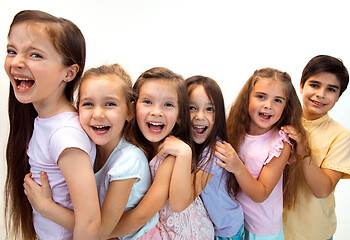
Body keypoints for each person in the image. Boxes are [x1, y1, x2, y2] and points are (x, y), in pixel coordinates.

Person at [23, 64, 158, 239]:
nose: (98, 114)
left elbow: (100, 231)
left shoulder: (129, 160)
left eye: (110, 104)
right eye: (88, 104)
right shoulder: (86, 149)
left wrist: (46, 207)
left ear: (130, 111)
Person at [4, 10, 100, 240]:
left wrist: (45, 207)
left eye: (35, 55)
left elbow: (90, 223)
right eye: (11, 51)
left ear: (69, 73)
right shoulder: (45, 122)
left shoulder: (64, 135)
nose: (16, 62)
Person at [108, 67, 214, 239]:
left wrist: (97, 233)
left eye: (168, 104)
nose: (156, 112)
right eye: (148, 102)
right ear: (133, 109)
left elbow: (142, 216)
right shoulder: (129, 146)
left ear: (180, 115)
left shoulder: (171, 156)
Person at [215, 68, 304, 240]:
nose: (268, 105)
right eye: (261, 96)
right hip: (234, 222)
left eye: (278, 100)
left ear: (286, 106)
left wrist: (237, 167)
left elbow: (260, 193)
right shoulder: (234, 129)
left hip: (261, 230)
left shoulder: (280, 143)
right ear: (247, 98)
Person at [281, 55, 350, 240]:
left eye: (331, 89)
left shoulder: (341, 136)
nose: (321, 94)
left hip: (312, 233)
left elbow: (323, 190)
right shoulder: (280, 122)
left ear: (338, 97)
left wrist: (303, 150)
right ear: (301, 85)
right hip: (271, 228)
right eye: (314, 85)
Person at [186, 75, 245, 239]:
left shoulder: (214, 153)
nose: (200, 116)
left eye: (209, 109)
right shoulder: (195, 147)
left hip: (227, 230)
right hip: (215, 226)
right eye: (191, 108)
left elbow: (186, 196)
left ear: (218, 115)